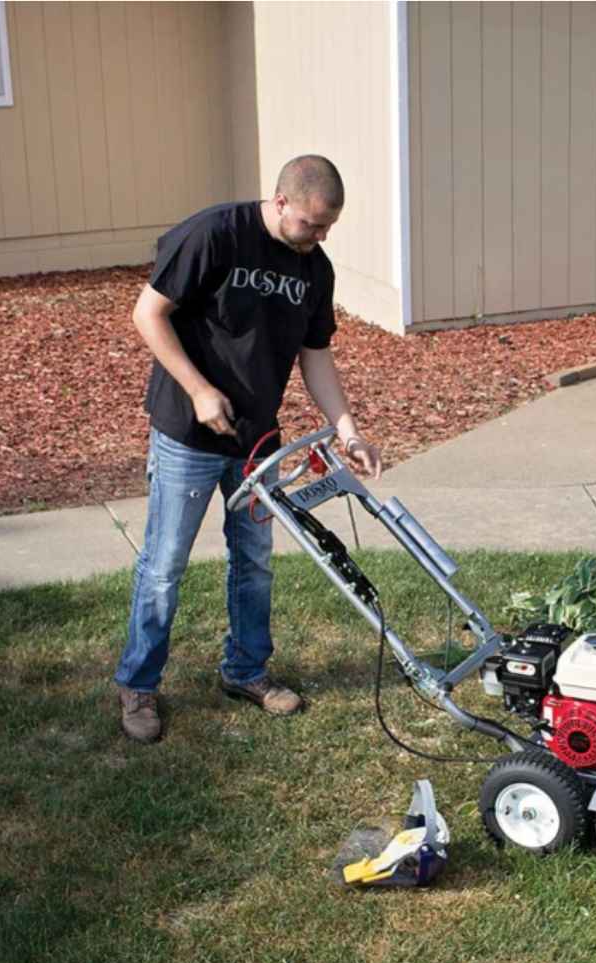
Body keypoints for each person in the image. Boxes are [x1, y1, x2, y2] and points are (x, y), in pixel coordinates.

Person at [114, 155, 381, 744]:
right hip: (188, 431)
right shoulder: (213, 234)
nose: (321, 236)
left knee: (255, 561)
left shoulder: (316, 269)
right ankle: (138, 684)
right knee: (164, 566)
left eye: (329, 226)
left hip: (257, 437)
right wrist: (199, 390)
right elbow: (148, 314)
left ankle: (246, 670)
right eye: (313, 224)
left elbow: (315, 354)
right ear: (281, 202)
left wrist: (348, 429)